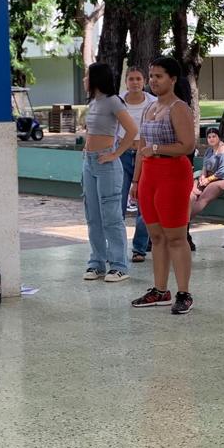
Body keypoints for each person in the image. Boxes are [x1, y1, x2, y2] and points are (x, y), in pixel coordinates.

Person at [130, 56, 198, 314]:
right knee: (156, 236)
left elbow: (188, 145)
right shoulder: (149, 107)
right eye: (152, 76)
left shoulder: (179, 108)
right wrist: (136, 180)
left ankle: (184, 293)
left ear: (173, 79)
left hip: (173, 174)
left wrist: (157, 148)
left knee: (176, 237)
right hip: (150, 175)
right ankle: (160, 290)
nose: (153, 80)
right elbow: (141, 147)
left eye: (159, 76)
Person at [80, 62, 137, 283]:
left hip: (106, 164)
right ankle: (97, 263)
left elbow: (132, 130)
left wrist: (116, 153)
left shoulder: (113, 101)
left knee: (111, 217)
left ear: (96, 78)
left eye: (87, 76)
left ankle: (119, 265)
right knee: (93, 216)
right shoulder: (94, 102)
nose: (84, 79)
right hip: (90, 162)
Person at [117, 67, 155, 262]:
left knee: (144, 203)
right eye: (131, 79)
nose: (135, 83)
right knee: (118, 201)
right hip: (123, 154)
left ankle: (139, 248)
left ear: (144, 81)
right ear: (126, 82)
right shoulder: (118, 102)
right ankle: (116, 248)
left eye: (138, 79)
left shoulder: (152, 102)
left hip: (145, 155)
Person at [190, 128, 224, 218]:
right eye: (209, 137)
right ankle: (183, 220)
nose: (211, 139)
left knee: (203, 198)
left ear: (219, 137)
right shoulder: (209, 150)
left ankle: (185, 220)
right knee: (192, 192)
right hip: (208, 178)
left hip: (222, 180)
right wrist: (202, 176)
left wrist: (208, 180)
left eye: (214, 136)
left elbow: (223, 172)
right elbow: (205, 166)